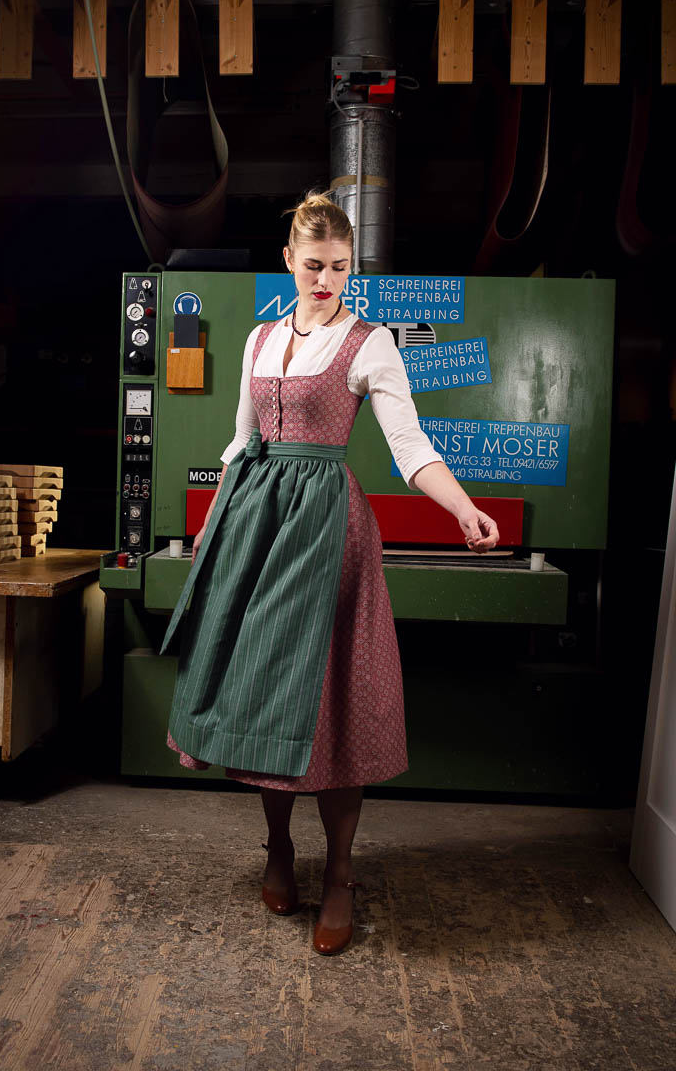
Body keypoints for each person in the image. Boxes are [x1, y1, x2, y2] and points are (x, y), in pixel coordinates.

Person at [161, 191, 499, 955]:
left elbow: (409, 447)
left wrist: (461, 508)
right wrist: (215, 524)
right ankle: (279, 848)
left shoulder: (369, 342)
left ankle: (340, 872)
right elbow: (240, 441)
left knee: (330, 702)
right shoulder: (256, 342)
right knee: (260, 693)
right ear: (288, 260)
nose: (326, 280)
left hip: (325, 529)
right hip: (253, 524)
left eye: (340, 268)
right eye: (314, 266)